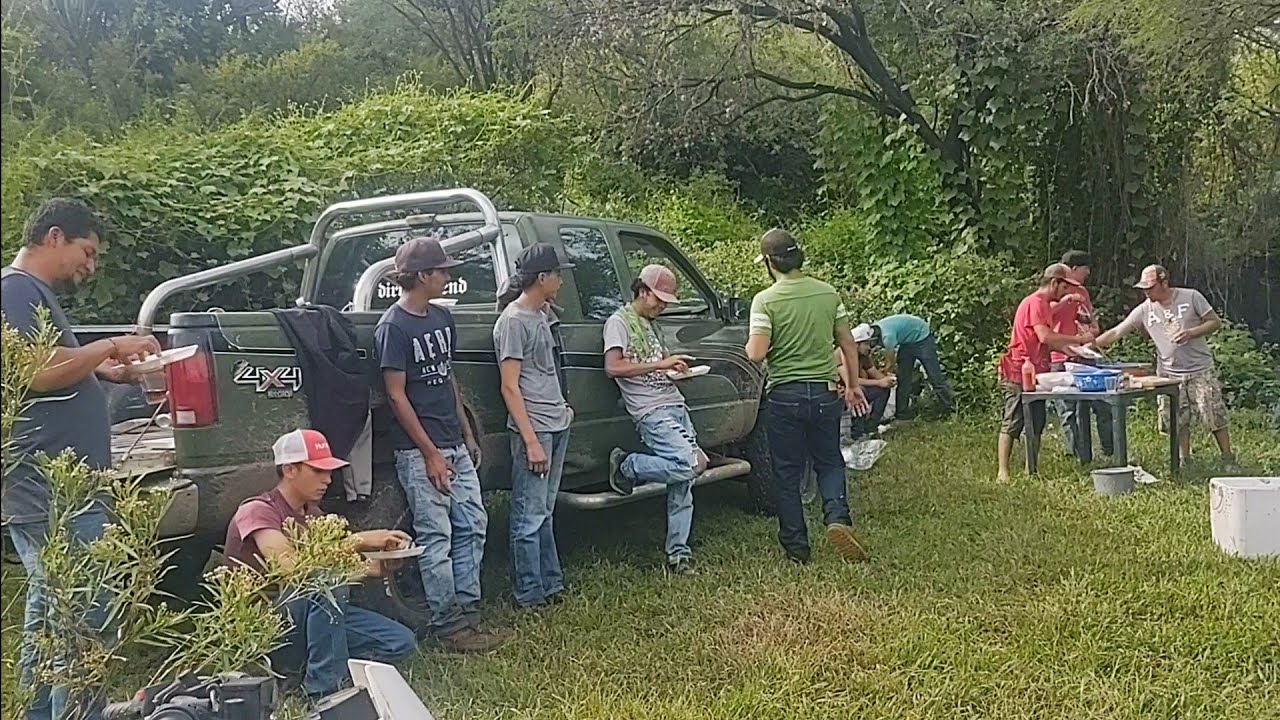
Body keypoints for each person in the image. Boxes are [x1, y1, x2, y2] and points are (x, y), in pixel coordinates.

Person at [3, 198, 162, 720]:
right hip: (54, 492)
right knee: (88, 617)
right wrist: (111, 346)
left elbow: (52, 373)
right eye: (86, 252)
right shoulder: (16, 290)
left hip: (54, 488)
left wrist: (104, 372)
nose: (89, 267)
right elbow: (37, 371)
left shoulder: (32, 293)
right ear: (54, 237)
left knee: (49, 619)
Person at [375, 236, 501, 653]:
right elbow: (396, 394)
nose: (448, 276)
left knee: (474, 524)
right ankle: (449, 625)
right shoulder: (393, 327)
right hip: (420, 451)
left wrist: (466, 430)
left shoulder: (442, 319)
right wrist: (429, 452)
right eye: (442, 271)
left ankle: (468, 609)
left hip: (453, 441)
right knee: (436, 536)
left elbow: (447, 377)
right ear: (423, 276)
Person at [223, 429, 417, 699]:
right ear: (290, 469)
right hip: (265, 625)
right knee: (326, 583)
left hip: (307, 616)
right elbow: (295, 570)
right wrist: (358, 540)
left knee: (400, 642)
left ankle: (309, 669)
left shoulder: (312, 514)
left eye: (329, 471)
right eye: (318, 471)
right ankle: (323, 689)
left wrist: (380, 567)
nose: (328, 479)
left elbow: (335, 565)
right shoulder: (258, 510)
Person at [746, 229, 871, 565]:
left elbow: (756, 353)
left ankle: (797, 548)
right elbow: (847, 343)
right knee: (828, 460)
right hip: (825, 393)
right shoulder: (827, 294)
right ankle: (837, 518)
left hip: (784, 396)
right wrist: (855, 384)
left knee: (787, 471)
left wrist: (757, 344)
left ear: (770, 262)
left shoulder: (766, 300)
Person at [603, 265, 706, 576]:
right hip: (651, 411)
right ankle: (628, 466)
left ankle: (678, 553)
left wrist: (673, 372)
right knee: (691, 464)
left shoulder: (651, 325)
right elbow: (613, 367)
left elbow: (651, 364)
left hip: (674, 403)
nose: (662, 306)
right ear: (642, 290)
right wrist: (661, 364)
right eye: (658, 299)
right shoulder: (618, 322)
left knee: (684, 481)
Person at [493, 243, 575, 608]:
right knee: (528, 515)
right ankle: (528, 592)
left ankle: (551, 583)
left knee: (545, 510)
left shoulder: (543, 314)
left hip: (556, 420)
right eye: (557, 274)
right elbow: (510, 386)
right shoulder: (513, 321)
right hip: (535, 427)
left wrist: (564, 408)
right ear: (542, 278)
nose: (561, 280)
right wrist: (530, 441)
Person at [1093, 265, 1235, 466]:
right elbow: (1117, 331)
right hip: (1168, 373)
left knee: (1212, 413)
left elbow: (1214, 322)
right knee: (1177, 417)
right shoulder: (1145, 309)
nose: (1146, 292)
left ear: (1164, 283)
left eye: (1150, 287)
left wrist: (1191, 332)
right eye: (1144, 288)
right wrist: (1092, 344)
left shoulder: (1191, 297)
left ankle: (1227, 457)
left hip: (1199, 368)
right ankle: (1184, 458)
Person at [996, 264, 1097, 482]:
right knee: (1012, 421)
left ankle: (1030, 469)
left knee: (1036, 421)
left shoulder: (1044, 305)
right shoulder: (1036, 303)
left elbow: (1047, 343)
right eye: (1064, 287)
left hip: (1037, 369)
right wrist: (1078, 339)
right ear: (1054, 283)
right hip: (1019, 368)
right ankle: (1002, 471)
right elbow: (1045, 336)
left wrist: (1070, 350)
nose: (1067, 292)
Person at [1050, 250, 1114, 459]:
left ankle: (1110, 450)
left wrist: (1091, 333)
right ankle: (1078, 455)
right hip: (1060, 356)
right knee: (1068, 410)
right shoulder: (1053, 292)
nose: (1087, 275)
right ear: (1074, 269)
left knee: (1101, 403)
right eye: (1085, 271)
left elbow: (1091, 322)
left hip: (1084, 355)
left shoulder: (1083, 293)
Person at [867, 314, 953, 419]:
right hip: (906, 342)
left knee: (934, 376)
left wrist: (883, 375)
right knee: (903, 378)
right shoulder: (873, 329)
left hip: (922, 337)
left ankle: (948, 409)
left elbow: (890, 363)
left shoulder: (887, 336)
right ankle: (901, 413)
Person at [840, 324, 895, 440]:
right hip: (840, 393)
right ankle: (857, 433)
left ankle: (871, 426)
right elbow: (851, 381)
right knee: (860, 392)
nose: (869, 347)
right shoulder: (841, 355)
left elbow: (874, 373)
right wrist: (878, 383)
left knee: (883, 389)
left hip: (853, 389)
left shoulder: (864, 356)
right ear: (856, 344)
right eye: (866, 344)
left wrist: (887, 380)